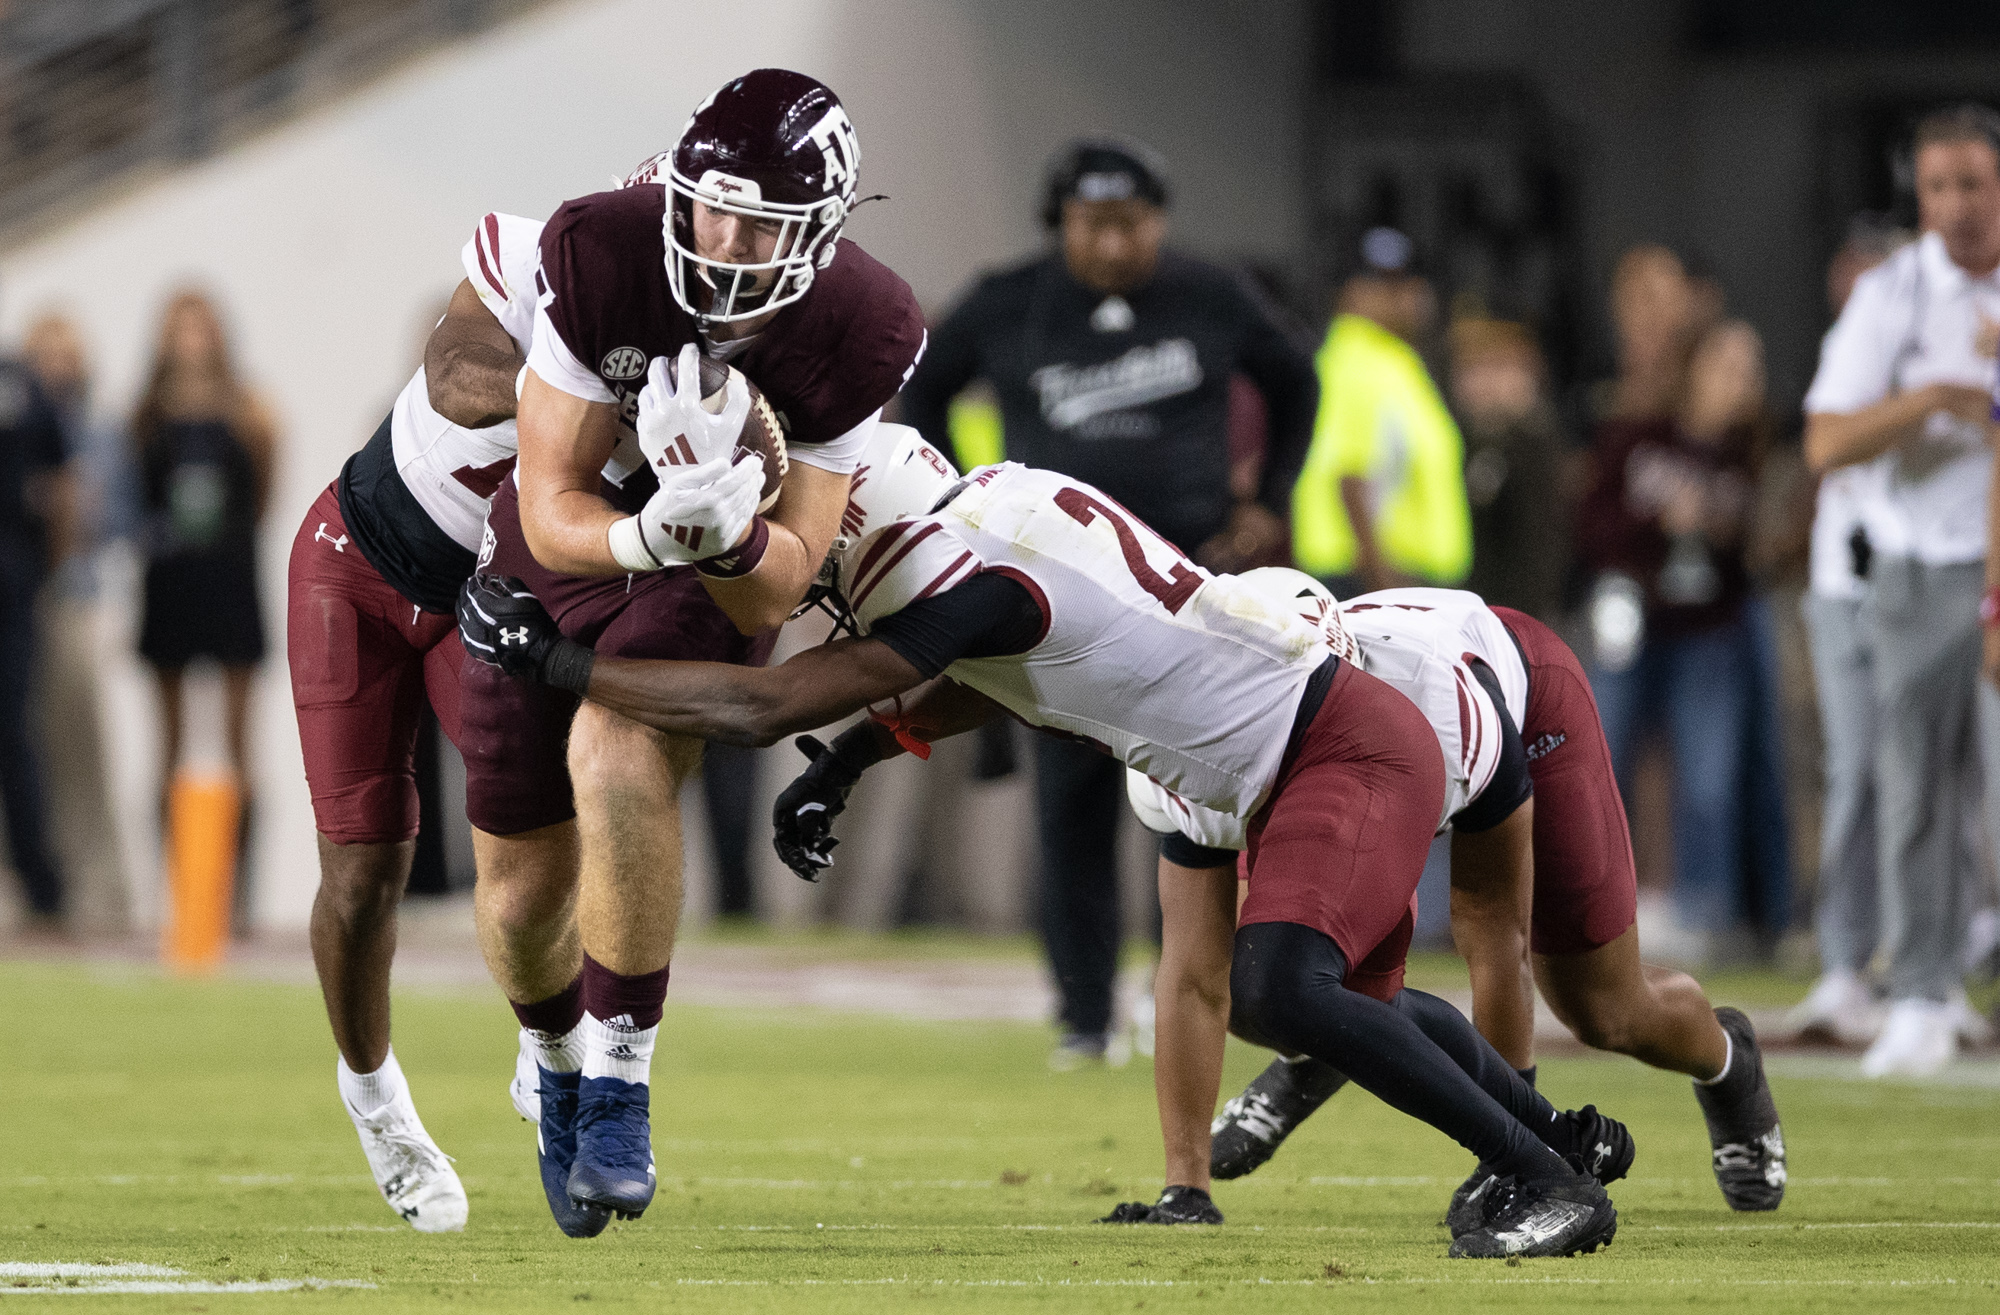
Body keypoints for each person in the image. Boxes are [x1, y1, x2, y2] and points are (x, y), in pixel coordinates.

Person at [461, 426, 1630, 1260]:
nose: (812, 590)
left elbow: (767, 703)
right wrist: (852, 764)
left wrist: (560, 665)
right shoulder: (994, 531)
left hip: (1332, 744)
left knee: (1277, 987)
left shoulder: (967, 574)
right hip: (1290, 753)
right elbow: (1001, 672)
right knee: (1335, 1001)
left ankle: (1545, 1180)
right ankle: (1551, 1135)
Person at [462, 69, 926, 1234]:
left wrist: (720, 536)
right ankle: (554, 1059)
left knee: (618, 752)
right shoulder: (600, 247)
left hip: (711, 565)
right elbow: (550, 495)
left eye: (755, 220)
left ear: (817, 230)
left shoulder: (862, 325)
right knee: (519, 893)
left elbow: (790, 566)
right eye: (708, 204)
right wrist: (644, 529)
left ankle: (618, 1081)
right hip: (574, 543)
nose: (719, 238)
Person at [1154, 572, 1782, 1219]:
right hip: (1388, 731)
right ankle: (1315, 1050)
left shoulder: (1443, 704)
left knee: (1603, 1006)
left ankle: (1726, 1057)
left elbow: (1495, 934)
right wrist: (1185, 1185)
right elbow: (1193, 972)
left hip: (1526, 706)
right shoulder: (1201, 734)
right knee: (1256, 960)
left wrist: (1514, 1154)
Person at [899, 137, 1319, 1067]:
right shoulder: (1011, 299)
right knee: (1072, 803)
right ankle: (1085, 1014)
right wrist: (959, 498)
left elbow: (1298, 377)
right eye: (1097, 224)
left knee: (1222, 797)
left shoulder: (1209, 293)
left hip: (1194, 589)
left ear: (1159, 221)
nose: (1118, 243)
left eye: (1134, 222)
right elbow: (921, 386)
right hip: (1060, 594)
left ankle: (1263, 995)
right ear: (1062, 224)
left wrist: (1270, 500)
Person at [287, 202, 571, 1232]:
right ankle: (376, 1101)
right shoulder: (535, 264)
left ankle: (551, 1056)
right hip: (351, 565)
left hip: (481, 602)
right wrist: (595, 406)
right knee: (363, 874)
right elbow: (455, 377)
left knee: (543, 841)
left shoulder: (699, 376)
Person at [1803, 104, 2000, 1077]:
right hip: (1918, 565)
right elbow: (1824, 439)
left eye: (1972, 183)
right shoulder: (1889, 296)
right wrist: (1930, 397)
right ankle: (1918, 990)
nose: (1956, 206)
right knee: (1913, 789)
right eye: (1937, 187)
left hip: (1996, 562)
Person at [1575, 249, 1773, 962]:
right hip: (1633, 616)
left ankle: (1704, 912)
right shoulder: (1631, 424)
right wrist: (1662, 525)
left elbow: (1764, 533)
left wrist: (1722, 524)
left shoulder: (1743, 442)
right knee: (1604, 759)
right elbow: (1592, 525)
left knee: (1707, 774)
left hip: (1708, 625)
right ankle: (1605, 908)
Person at [1786, 217, 1910, 1044]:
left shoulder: (1938, 353)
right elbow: (1821, 455)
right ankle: (1846, 963)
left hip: (1926, 581)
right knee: (1858, 771)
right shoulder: (1847, 358)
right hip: (1843, 586)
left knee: (1935, 779)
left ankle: (1921, 962)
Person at [131, 292, 274, 861]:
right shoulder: (144, 416)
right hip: (168, 585)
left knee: (240, 745)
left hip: (231, 581)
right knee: (168, 745)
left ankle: (236, 889)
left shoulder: (251, 412)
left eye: (201, 327)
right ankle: (177, 889)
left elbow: (261, 497)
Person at [22, 313, 131, 932]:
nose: (57, 367)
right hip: (19, 601)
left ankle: (103, 889)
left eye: (67, 354)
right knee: (21, 749)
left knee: (82, 747)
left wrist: (74, 511)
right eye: (46, 354)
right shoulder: (19, 429)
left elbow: (115, 519)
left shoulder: (99, 433)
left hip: (72, 600)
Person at [1291, 226, 1471, 595]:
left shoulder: (1389, 359)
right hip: (1372, 577)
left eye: (1410, 283)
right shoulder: (1357, 363)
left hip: (1391, 572)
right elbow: (1353, 477)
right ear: (1352, 294)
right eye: (1389, 287)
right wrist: (1387, 593)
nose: (1411, 296)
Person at [0, 332, 73, 928]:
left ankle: (41, 888)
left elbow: (62, 484)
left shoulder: (20, 381)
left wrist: (52, 567)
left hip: (12, 585)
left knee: (13, 732)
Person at [1450, 315, 1572, 624]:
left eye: (1499, 368)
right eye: (1473, 370)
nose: (1485, 383)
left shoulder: (1538, 445)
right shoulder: (1452, 440)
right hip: (1461, 617)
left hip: (1520, 623)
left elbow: (1542, 551)